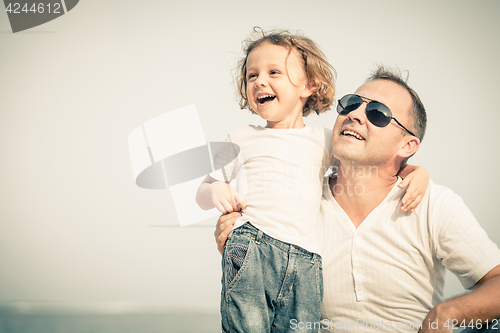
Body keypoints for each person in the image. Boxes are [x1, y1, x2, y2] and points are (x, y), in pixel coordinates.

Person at [215, 67, 500, 332]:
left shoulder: (432, 203)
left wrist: (448, 312)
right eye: (351, 103)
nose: (355, 114)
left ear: (408, 145)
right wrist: (243, 246)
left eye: (378, 113)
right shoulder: (299, 204)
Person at [197, 29, 428, 333]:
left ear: (308, 85)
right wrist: (216, 188)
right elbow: (203, 189)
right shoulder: (241, 136)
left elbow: (369, 166)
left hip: (307, 262)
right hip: (253, 245)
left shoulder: (323, 141)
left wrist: (416, 172)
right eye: (251, 75)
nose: (260, 81)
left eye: (274, 72)